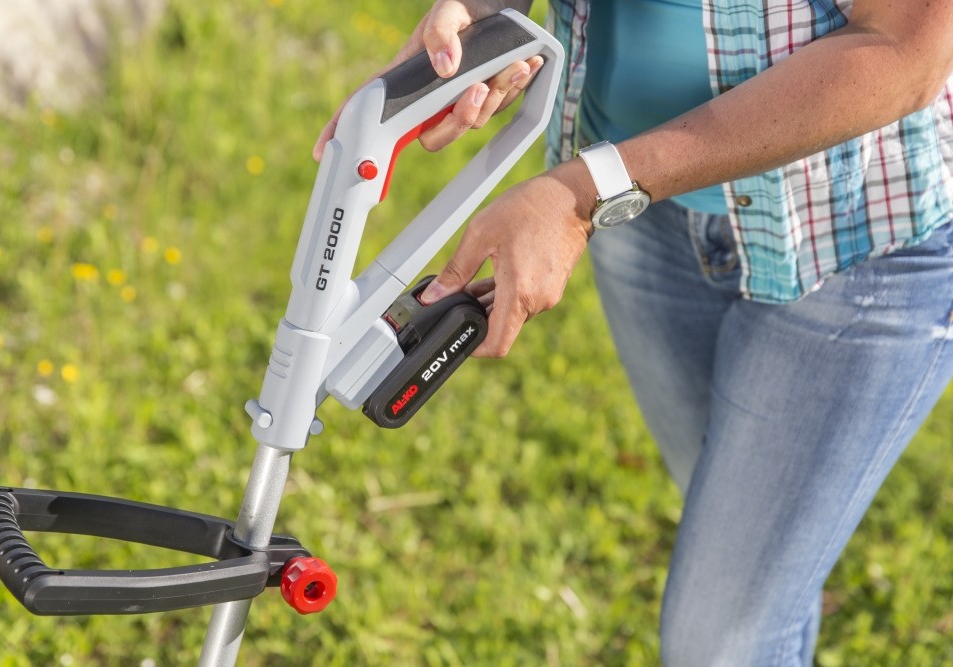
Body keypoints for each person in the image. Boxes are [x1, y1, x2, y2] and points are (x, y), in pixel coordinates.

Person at [315, 1, 953, 665]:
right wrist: (478, 13)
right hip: (642, 216)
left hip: (848, 242)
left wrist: (586, 191)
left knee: (719, 642)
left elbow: (907, 48)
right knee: (749, 566)